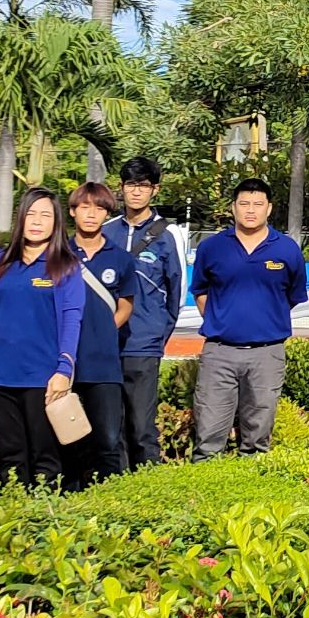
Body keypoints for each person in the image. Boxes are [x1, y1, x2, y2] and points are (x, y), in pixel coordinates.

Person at [0, 188, 83, 490]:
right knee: (10, 458)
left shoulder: (65, 266)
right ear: (21, 218)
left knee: (46, 459)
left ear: (56, 222)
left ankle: (45, 516)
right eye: (31, 214)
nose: (37, 221)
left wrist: (64, 369)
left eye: (45, 215)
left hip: (43, 378)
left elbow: (72, 321)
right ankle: (14, 514)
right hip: (1, 377)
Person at [187, 178, 307, 458]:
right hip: (219, 352)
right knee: (208, 435)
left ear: (269, 208)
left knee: (257, 438)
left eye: (257, 204)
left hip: (267, 354)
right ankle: (205, 479)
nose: (250, 210)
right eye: (244, 204)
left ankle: (252, 479)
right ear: (233, 207)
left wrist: (264, 319)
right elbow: (200, 291)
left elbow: (291, 296)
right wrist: (220, 319)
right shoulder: (212, 247)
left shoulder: (287, 249)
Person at [107, 157, 184, 469]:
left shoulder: (168, 234)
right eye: (130, 185)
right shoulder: (106, 231)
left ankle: (147, 481)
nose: (136, 192)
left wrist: (157, 334)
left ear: (155, 190)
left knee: (141, 428)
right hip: (106, 345)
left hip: (144, 344)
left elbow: (177, 294)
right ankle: (115, 485)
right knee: (111, 428)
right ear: (121, 188)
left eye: (143, 186)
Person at [64, 183, 136, 488]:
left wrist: (105, 331)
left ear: (107, 213)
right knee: (67, 439)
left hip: (105, 364)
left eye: (99, 208)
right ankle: (68, 497)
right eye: (85, 207)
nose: (91, 214)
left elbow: (126, 306)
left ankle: (108, 496)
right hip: (65, 364)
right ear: (72, 212)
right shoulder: (59, 254)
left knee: (107, 439)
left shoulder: (120, 258)